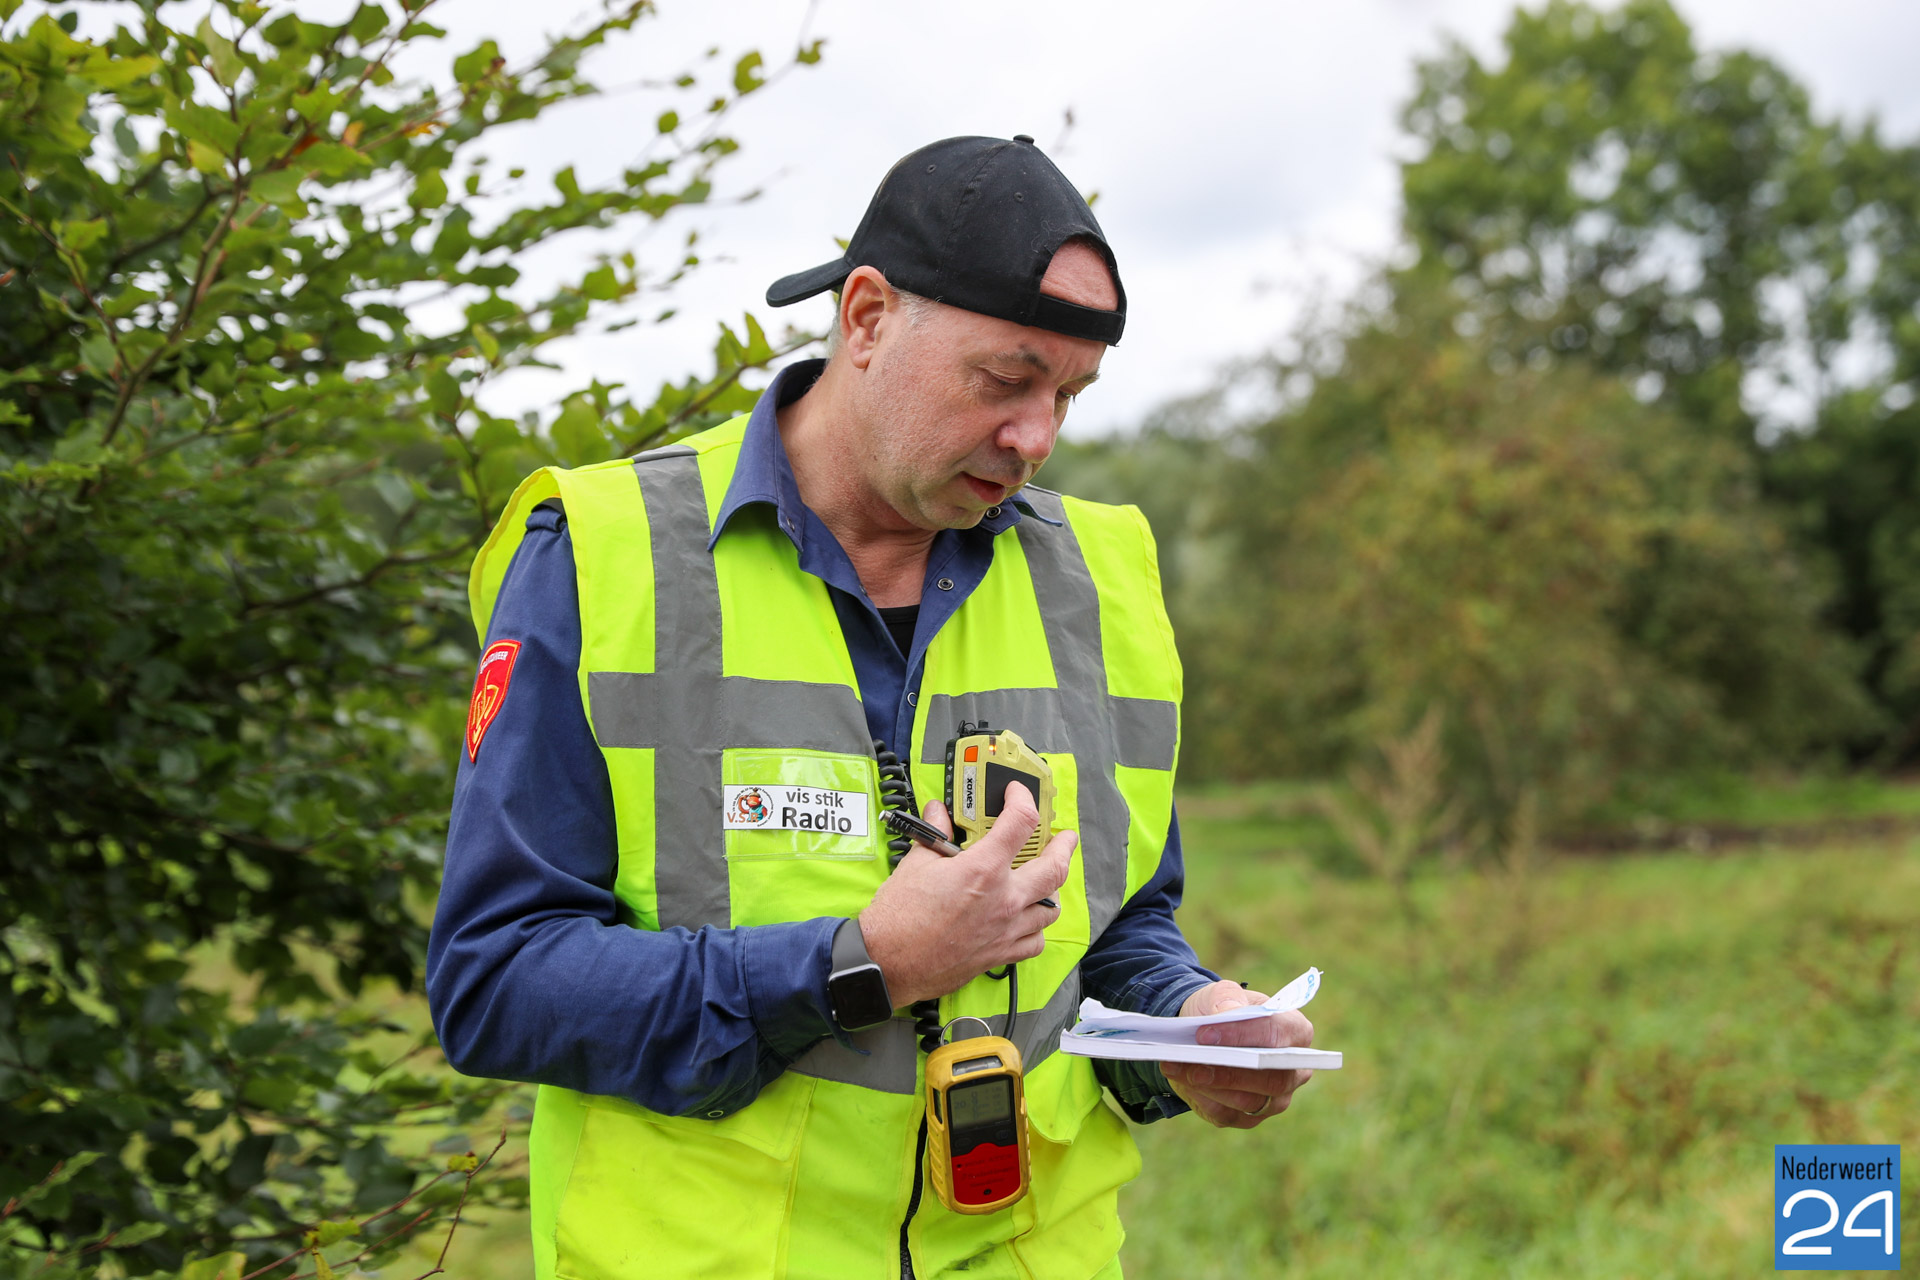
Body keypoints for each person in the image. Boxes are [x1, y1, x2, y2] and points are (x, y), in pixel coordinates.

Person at [427, 135, 1315, 1280]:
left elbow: (1120, 925)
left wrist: (1186, 1025)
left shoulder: (1102, 582)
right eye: (1005, 380)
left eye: (1067, 394)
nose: (1036, 438)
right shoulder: (602, 556)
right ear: (866, 317)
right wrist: (862, 964)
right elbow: (497, 983)